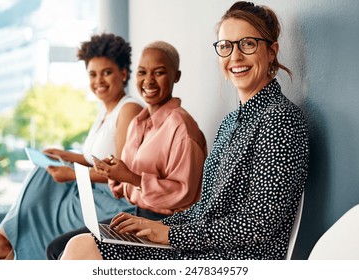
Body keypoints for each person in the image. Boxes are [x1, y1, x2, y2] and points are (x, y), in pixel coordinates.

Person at [60, 1, 309, 260]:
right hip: (203, 244)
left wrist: (170, 234)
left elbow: (259, 223)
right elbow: (205, 209)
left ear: (272, 51)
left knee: (83, 249)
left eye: (247, 44)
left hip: (236, 258)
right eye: (226, 46)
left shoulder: (281, 119)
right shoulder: (230, 122)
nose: (235, 56)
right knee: (82, 243)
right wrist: (159, 227)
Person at [0, 33, 143, 260]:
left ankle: (1, 245)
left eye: (106, 72)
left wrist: (72, 174)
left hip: (114, 200)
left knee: (46, 181)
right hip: (97, 189)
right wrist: (64, 155)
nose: (99, 81)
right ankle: (2, 243)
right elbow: (95, 159)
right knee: (44, 171)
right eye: (93, 74)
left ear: (123, 73)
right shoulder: (104, 113)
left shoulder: (128, 109)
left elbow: (120, 173)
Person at [45, 40, 207, 259]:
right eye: (142, 72)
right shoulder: (139, 122)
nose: (148, 80)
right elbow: (123, 183)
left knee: (74, 251)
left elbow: (184, 196)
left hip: (166, 228)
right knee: (56, 247)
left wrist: (131, 177)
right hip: (136, 215)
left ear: (175, 76)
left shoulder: (183, 128)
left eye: (158, 73)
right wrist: (114, 174)